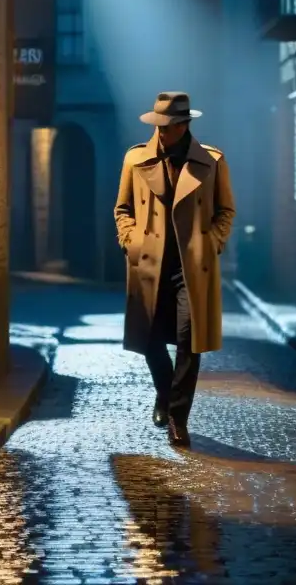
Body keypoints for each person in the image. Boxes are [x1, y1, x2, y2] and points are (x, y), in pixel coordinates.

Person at [114, 92, 236, 447]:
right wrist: (130, 241)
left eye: (166, 127)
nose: (161, 133)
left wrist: (211, 243)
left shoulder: (211, 161)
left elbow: (225, 210)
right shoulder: (136, 159)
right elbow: (123, 208)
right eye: (158, 127)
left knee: (188, 338)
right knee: (149, 338)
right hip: (149, 262)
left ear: (183, 126)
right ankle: (164, 393)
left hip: (191, 266)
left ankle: (178, 418)